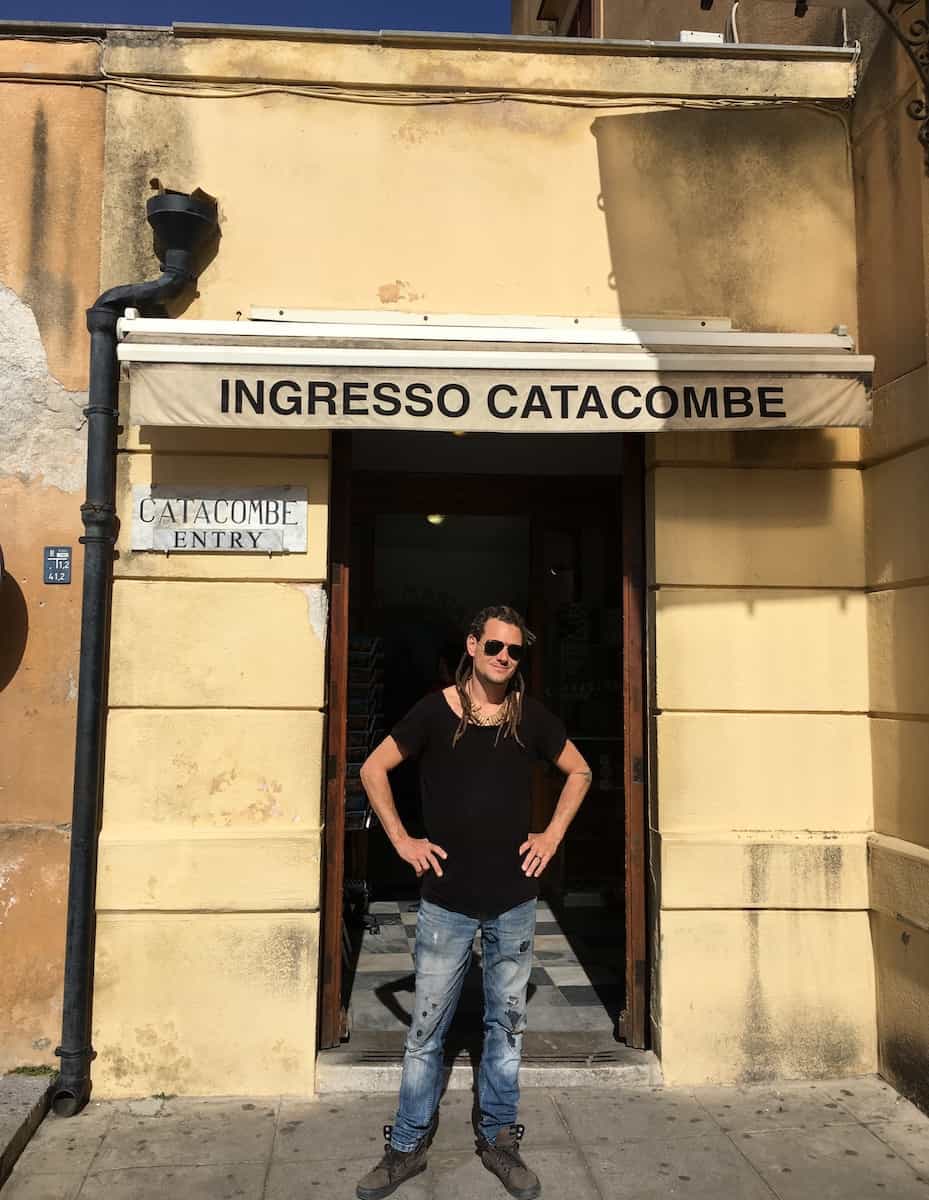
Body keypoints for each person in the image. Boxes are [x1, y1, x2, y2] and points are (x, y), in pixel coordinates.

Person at [356, 605, 591, 1200]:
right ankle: (407, 1144)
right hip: (446, 906)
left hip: (512, 901)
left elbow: (580, 772)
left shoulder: (527, 719)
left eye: (514, 652)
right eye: (495, 648)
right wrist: (402, 841)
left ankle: (500, 1140)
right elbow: (373, 768)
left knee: (506, 1030)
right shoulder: (434, 712)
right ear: (472, 645)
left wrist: (551, 836)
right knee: (426, 1031)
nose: (505, 659)